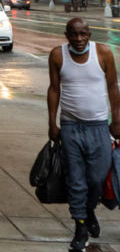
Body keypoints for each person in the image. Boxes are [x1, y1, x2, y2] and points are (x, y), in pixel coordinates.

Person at [47, 17, 120, 252]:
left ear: (89, 34)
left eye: (83, 34)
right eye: (74, 34)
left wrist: (117, 120)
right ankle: (80, 226)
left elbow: (112, 87)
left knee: (97, 179)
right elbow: (54, 88)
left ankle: (88, 210)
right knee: (76, 181)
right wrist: (52, 123)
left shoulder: (104, 53)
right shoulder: (58, 55)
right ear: (67, 35)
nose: (79, 39)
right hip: (70, 128)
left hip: (99, 127)